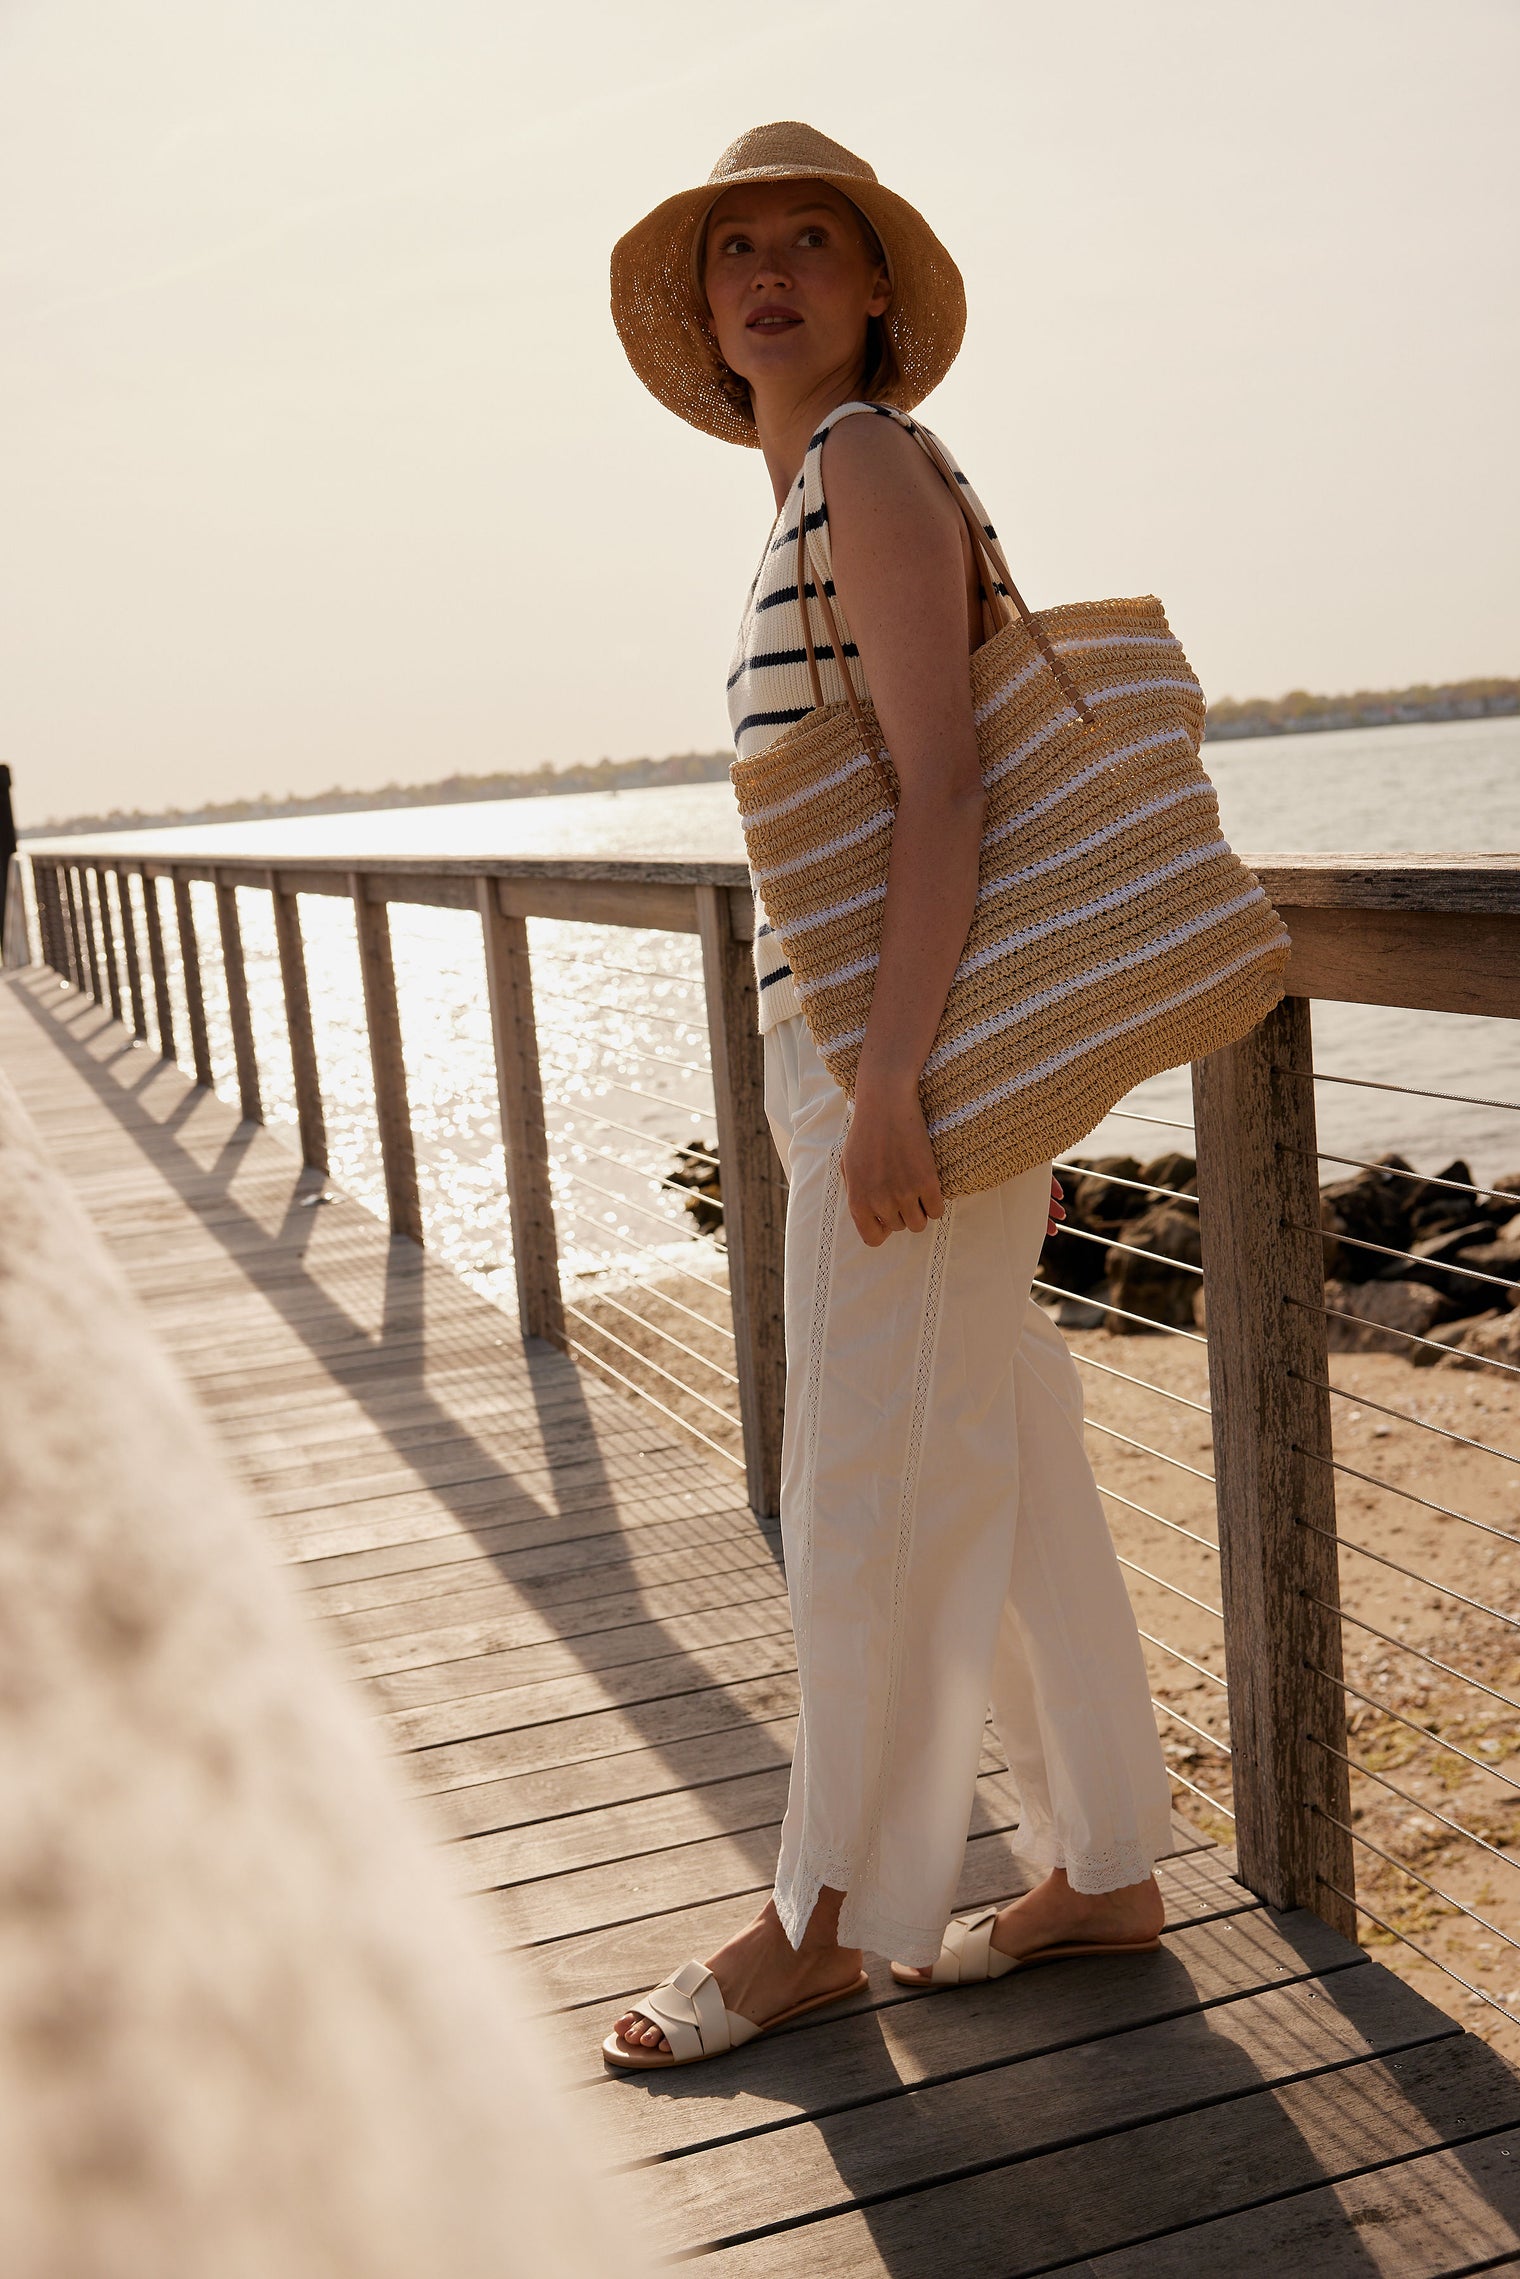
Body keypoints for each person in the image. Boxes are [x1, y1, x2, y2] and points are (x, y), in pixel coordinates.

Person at [603, 122, 1173, 2070]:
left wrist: (888, 1082)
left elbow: (953, 789)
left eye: (808, 242)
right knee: (999, 1453)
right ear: (705, 311)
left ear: (869, 296)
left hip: (894, 1058)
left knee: (860, 1484)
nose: (766, 270)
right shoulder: (806, 500)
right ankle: (1101, 1864)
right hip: (870, 1050)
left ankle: (822, 1918)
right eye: (732, 248)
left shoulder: (860, 463)